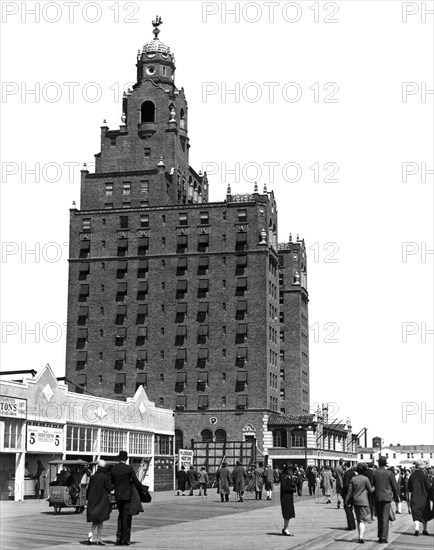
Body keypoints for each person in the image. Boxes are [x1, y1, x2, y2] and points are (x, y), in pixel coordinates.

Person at [111, 450, 143, 546]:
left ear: (118, 458)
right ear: (126, 458)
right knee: (127, 517)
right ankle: (125, 539)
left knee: (121, 515)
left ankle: (119, 536)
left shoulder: (114, 469)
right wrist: (143, 489)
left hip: (118, 496)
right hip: (127, 496)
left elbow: (112, 482)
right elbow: (136, 481)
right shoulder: (129, 468)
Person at [372, 456, 399, 544]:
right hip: (387, 497)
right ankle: (384, 537)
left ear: (378, 463)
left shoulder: (374, 473)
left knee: (379, 517)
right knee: (385, 518)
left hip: (378, 497)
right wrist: (396, 496)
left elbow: (372, 486)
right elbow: (394, 486)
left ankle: (380, 535)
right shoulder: (389, 473)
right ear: (385, 463)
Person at [346, 462, 375, 544]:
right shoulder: (365, 479)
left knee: (359, 519)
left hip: (356, 501)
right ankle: (361, 537)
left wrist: (347, 499)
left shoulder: (353, 479)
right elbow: (370, 489)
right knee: (362, 520)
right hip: (364, 501)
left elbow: (349, 491)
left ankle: (359, 535)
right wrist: (374, 487)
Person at [86, 460, 114, 546]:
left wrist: (87, 498)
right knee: (101, 519)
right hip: (102, 499)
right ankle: (97, 537)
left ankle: (94, 535)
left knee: (97, 519)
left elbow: (89, 488)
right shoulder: (105, 477)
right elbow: (109, 487)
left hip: (93, 500)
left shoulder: (93, 477)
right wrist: (114, 485)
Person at [409, 459, 432, 536]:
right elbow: (428, 487)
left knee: (415, 514)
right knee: (424, 513)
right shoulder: (425, 476)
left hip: (415, 497)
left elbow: (409, 487)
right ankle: (424, 529)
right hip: (424, 498)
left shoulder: (412, 476)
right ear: (422, 468)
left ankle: (416, 529)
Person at [280, 464, 297, 536]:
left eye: (292, 469)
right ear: (286, 470)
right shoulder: (284, 476)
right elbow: (284, 487)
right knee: (287, 514)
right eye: (289, 469)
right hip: (285, 497)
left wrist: (294, 483)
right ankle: (285, 529)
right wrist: (292, 489)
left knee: (289, 514)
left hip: (289, 497)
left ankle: (285, 528)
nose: (291, 471)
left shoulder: (289, 477)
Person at [342, 462, 356, 531]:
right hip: (353, 494)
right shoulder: (352, 473)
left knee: (348, 510)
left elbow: (346, 485)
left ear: (346, 466)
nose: (342, 467)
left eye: (343, 466)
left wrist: (343, 492)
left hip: (347, 494)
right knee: (351, 510)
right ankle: (353, 524)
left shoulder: (347, 474)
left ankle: (350, 525)